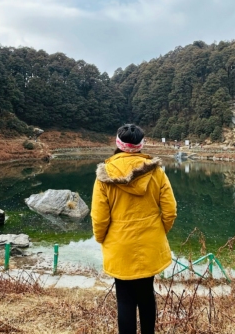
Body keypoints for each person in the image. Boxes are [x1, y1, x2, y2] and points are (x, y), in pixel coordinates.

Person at [91, 124, 177, 334]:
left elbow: (99, 218)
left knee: (125, 300)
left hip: (119, 246)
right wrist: (157, 233)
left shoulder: (104, 175)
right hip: (149, 245)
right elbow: (170, 211)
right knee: (147, 295)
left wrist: (103, 239)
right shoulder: (156, 171)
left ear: (118, 144)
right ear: (140, 145)